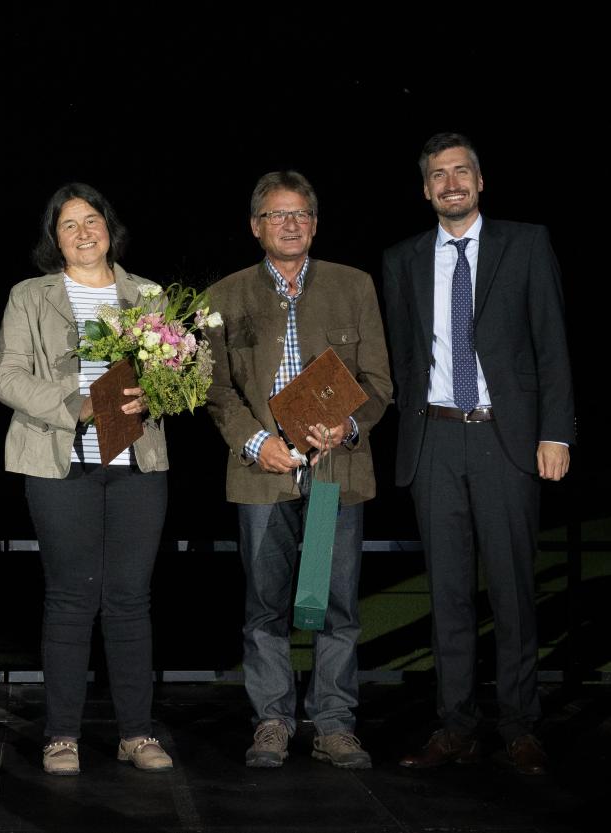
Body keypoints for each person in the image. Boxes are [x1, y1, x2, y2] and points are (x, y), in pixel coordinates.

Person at [384, 133, 574, 776]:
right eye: (439, 174)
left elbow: (552, 345)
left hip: (506, 440)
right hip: (434, 439)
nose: (451, 183)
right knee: (449, 594)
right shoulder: (403, 259)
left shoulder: (525, 243)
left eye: (461, 171)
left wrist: (557, 431)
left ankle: (520, 726)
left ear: (481, 182)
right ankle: (456, 726)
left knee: (515, 591)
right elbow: (405, 359)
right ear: (426, 188)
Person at [205, 171, 391, 770]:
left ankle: (334, 723)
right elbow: (216, 392)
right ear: (256, 226)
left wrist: (349, 426)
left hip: (335, 468)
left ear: (315, 223)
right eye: (277, 215)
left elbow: (379, 384)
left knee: (335, 604)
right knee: (266, 607)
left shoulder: (353, 285)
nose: (290, 225)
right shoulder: (225, 296)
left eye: (300, 215)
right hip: (263, 472)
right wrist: (255, 441)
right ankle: (273, 722)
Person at [0, 183, 172, 776]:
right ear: (54, 238)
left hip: (136, 467)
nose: (83, 232)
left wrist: (162, 390)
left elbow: (178, 376)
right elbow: (5, 376)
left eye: (92, 220)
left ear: (109, 228)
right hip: (60, 465)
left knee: (129, 600)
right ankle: (61, 735)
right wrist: (76, 405)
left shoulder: (146, 294)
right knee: (70, 599)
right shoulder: (29, 295)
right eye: (69, 224)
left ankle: (136, 734)